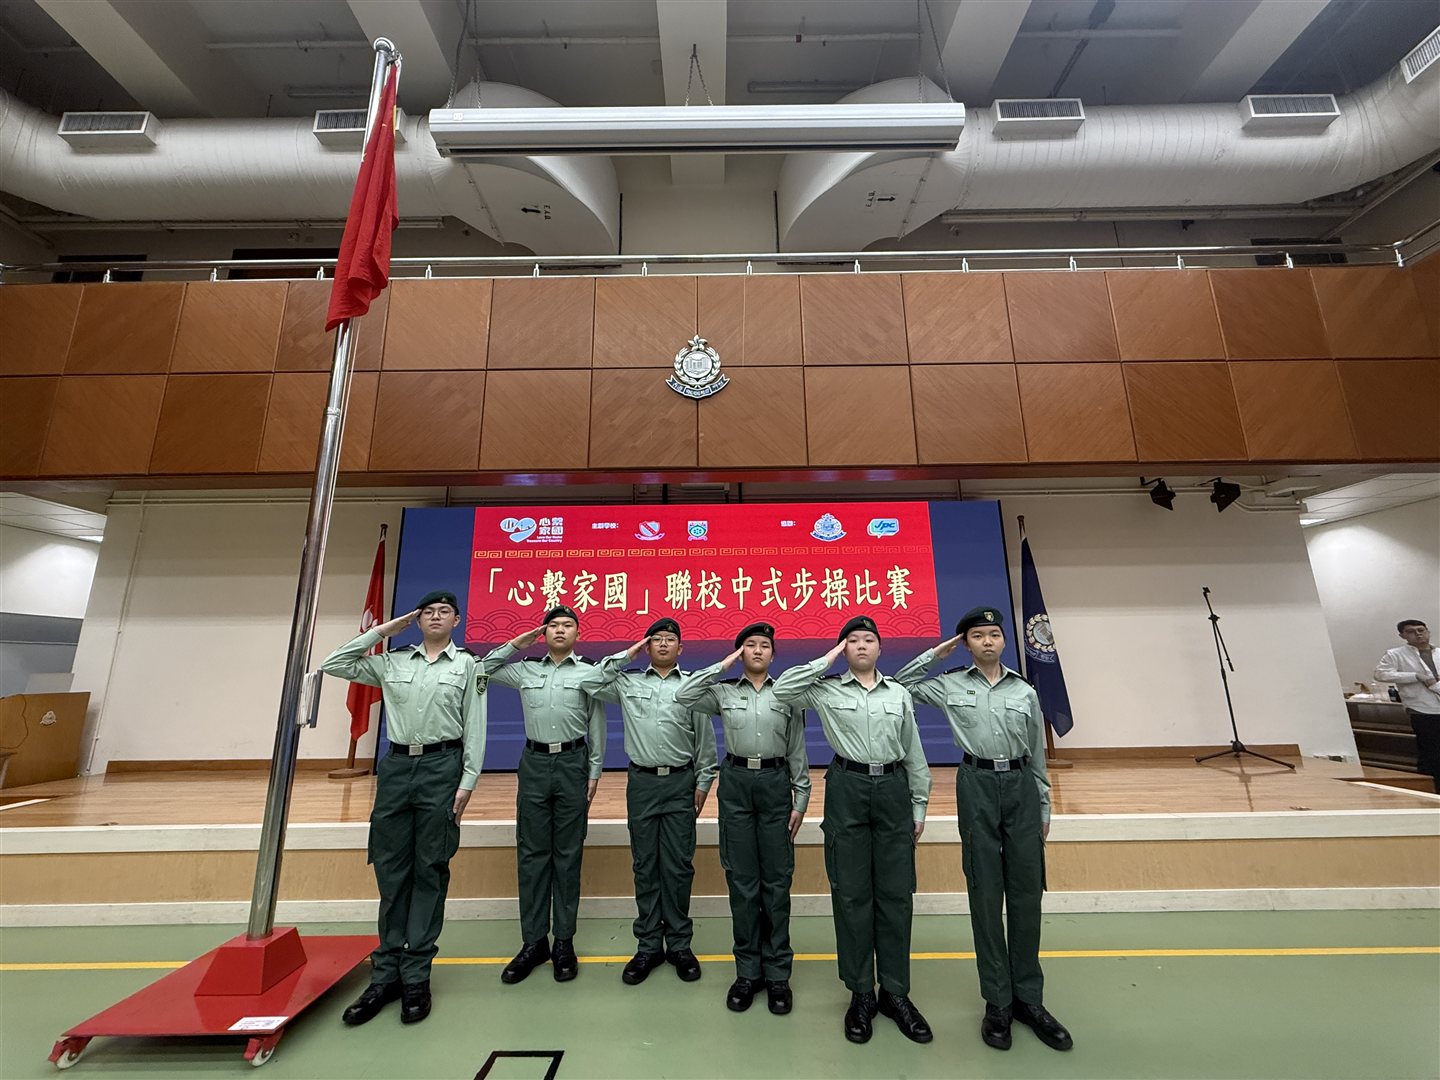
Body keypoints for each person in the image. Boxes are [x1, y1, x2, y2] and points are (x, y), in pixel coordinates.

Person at [896, 606, 1072, 1053]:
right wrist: (937, 653)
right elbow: (900, 685)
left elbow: (1036, 753)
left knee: (1027, 893)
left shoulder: (1024, 690)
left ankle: (1029, 999)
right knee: (986, 893)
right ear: (966, 644)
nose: (988, 641)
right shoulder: (951, 683)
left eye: (994, 634)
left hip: (1021, 787)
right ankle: (998, 1002)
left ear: (1003, 641)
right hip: (976, 783)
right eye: (977, 636)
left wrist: (1044, 804)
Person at [320, 590, 485, 1026]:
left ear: (456, 620)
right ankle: (385, 975)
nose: (436, 617)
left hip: (442, 766)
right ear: (417, 619)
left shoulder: (468, 665)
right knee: (391, 869)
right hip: (396, 769)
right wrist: (383, 630)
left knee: (430, 868)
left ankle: (416, 976)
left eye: (444, 611)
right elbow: (335, 663)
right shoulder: (392, 661)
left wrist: (468, 780)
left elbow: (476, 725)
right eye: (427, 612)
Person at [773, 615, 932, 1046]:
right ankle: (861, 992)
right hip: (847, 787)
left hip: (893, 788)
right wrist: (826, 658)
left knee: (896, 895)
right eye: (852, 640)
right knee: (851, 893)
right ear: (844, 648)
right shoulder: (825, 690)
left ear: (880, 648)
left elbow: (914, 751)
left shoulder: (898, 693)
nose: (861, 645)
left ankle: (895, 993)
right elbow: (784, 688)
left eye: (868, 640)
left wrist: (919, 803)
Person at [675, 621, 810, 1016]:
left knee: (776, 882)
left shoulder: (786, 694)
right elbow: (684, 694)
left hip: (775, 783)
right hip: (735, 783)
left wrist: (801, 797)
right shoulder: (723, 692)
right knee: (743, 881)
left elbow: (797, 749)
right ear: (740, 653)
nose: (757, 650)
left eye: (764, 645)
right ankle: (748, 972)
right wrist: (723, 664)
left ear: (773, 653)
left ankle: (778, 974)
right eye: (749, 645)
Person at [479, 605, 610, 984]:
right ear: (543, 632)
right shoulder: (525, 670)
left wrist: (595, 771)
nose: (560, 630)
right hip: (534, 764)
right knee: (532, 855)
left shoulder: (589, 672)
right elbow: (483, 668)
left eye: (567, 625)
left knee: (567, 855)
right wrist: (518, 643)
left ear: (577, 633)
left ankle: (564, 942)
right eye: (552, 625)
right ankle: (534, 942)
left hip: (573, 763)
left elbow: (596, 722)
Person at [595, 617, 718, 985]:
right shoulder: (628, 682)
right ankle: (648, 945)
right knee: (645, 864)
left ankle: (679, 944)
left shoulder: (690, 687)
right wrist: (627, 654)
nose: (663, 644)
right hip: (643, 783)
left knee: (678, 866)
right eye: (656, 639)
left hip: (681, 783)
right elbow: (591, 681)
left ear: (681, 647)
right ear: (647, 647)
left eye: (670, 639)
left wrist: (704, 780)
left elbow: (704, 740)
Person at [1374, 619, 1440, 793]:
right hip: (1421, 708)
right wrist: (1414, 676)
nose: (1418, 634)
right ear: (1402, 635)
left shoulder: (1439, 652)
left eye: (1421, 630)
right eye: (1411, 631)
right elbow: (1381, 674)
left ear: (1427, 631)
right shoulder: (1396, 654)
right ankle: (1432, 790)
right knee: (1431, 752)